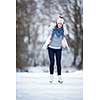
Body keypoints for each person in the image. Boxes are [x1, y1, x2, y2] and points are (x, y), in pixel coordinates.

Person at [43, 16, 69, 83]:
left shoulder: (63, 31)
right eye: (58, 23)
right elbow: (49, 28)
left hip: (58, 49)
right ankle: (51, 78)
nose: (60, 25)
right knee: (52, 62)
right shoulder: (53, 30)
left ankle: (59, 78)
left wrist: (63, 21)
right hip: (51, 48)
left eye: (61, 24)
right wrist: (56, 22)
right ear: (57, 23)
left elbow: (67, 32)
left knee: (58, 63)